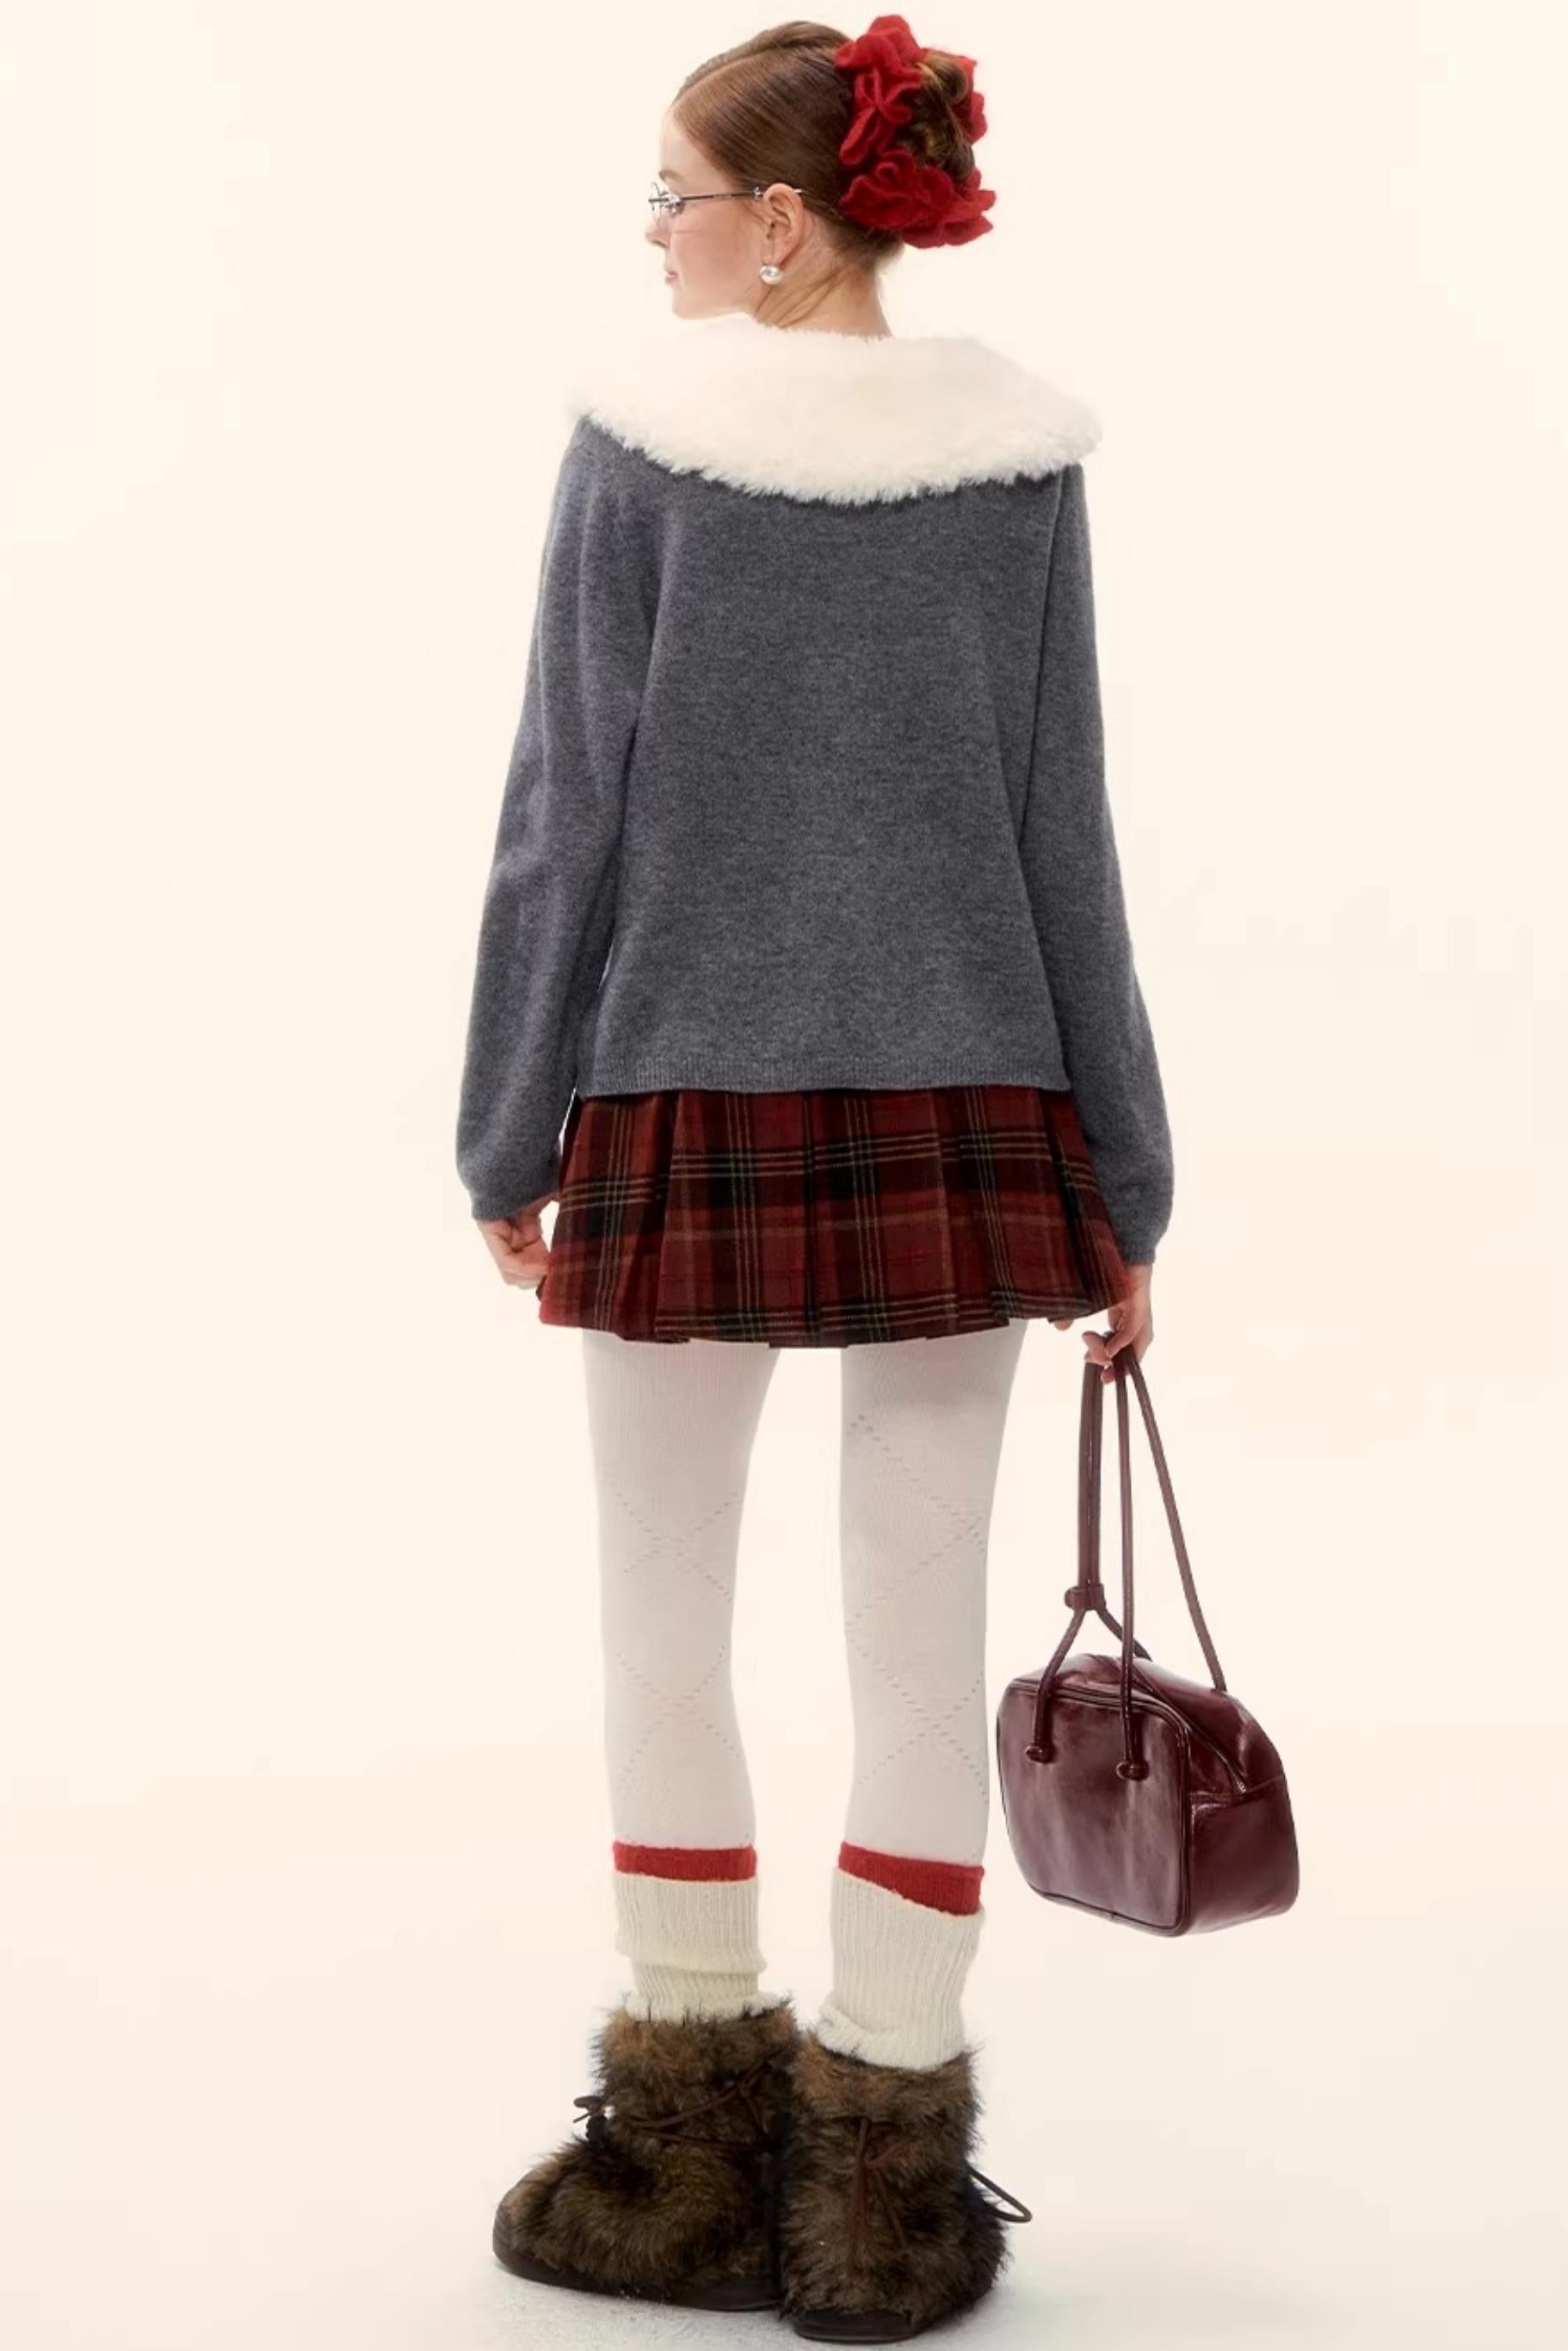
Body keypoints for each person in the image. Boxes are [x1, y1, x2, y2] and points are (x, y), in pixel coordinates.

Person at [454, 15, 1174, 2340]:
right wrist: (1128, 1174)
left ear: (779, 221)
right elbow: (1067, 832)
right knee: (918, 1631)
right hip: (972, 1117)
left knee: (660, 1616)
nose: (654, 237)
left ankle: (681, 2150)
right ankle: (880, 2179)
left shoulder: (640, 452)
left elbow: (563, 814)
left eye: (672, 197)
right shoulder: (1017, 468)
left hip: (676, 1099)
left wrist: (506, 1124)